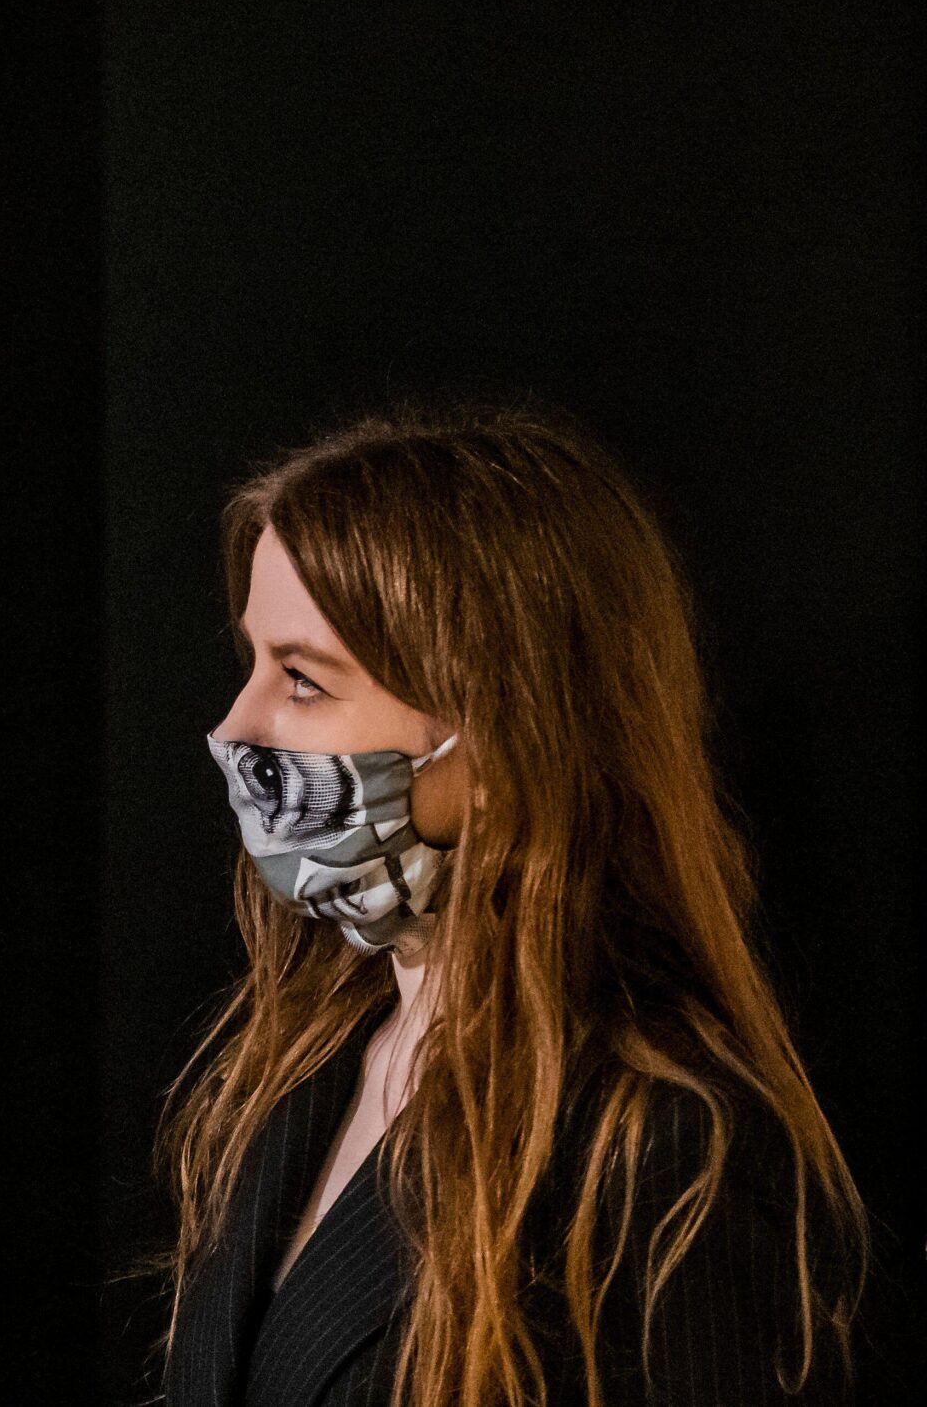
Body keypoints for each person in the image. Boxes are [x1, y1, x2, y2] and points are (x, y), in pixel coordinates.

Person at [152, 405, 871, 1407]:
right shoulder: (295, 1064)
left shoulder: (666, 1151)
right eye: (252, 666)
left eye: (303, 681)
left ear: (499, 736)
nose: (236, 725)